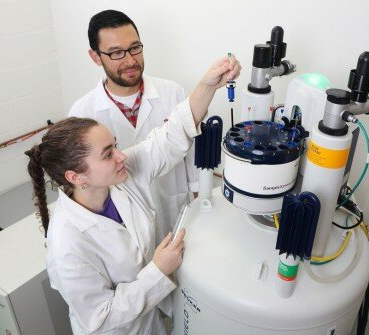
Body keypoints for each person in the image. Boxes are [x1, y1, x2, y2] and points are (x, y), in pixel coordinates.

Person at [26, 55, 241, 335]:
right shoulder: (67, 245)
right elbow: (100, 319)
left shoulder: (118, 179)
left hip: (149, 320)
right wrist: (158, 271)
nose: (120, 155)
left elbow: (168, 138)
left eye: (114, 146)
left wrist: (208, 84)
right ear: (75, 177)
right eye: (108, 154)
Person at [69, 10, 198, 243]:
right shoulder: (82, 113)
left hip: (175, 209)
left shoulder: (173, 93)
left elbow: (194, 163)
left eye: (135, 48)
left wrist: (200, 208)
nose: (130, 60)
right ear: (96, 57)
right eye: (116, 53)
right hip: (124, 227)